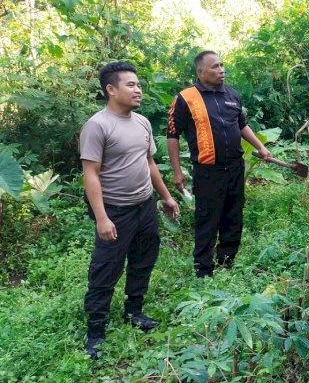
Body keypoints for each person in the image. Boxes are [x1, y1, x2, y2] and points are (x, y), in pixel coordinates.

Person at [80, 61, 180, 360]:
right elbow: (91, 173)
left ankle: (134, 312)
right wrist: (102, 218)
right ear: (111, 90)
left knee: (143, 260)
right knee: (105, 269)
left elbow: (148, 163)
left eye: (138, 84)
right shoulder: (97, 125)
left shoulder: (142, 123)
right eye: (131, 85)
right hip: (115, 210)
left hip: (144, 205)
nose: (138, 90)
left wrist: (166, 197)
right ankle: (95, 332)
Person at [167, 51, 271, 278]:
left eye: (222, 65)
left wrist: (260, 147)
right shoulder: (185, 98)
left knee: (233, 216)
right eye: (215, 66)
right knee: (207, 219)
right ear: (201, 71)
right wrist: (177, 172)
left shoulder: (232, 94)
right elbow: (172, 136)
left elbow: (242, 125)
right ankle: (203, 270)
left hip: (235, 167)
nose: (221, 70)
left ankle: (226, 263)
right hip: (207, 171)